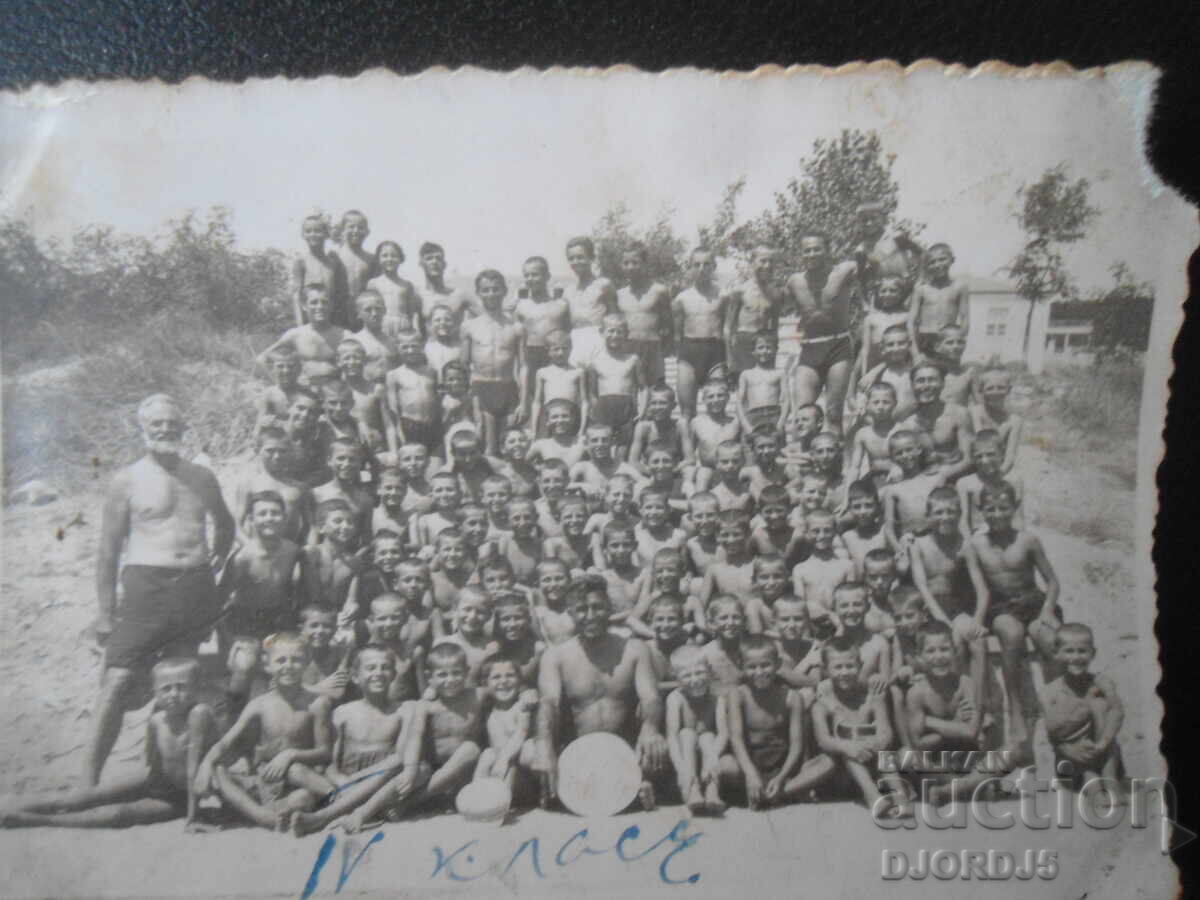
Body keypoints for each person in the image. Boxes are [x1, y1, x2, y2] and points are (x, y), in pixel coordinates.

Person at [87, 394, 235, 786]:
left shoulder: (202, 477)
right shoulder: (127, 479)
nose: (166, 430)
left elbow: (225, 524)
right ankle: (89, 779)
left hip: (193, 590)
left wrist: (214, 561)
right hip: (145, 589)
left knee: (176, 684)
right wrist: (105, 613)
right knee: (117, 680)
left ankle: (161, 771)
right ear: (143, 430)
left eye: (173, 424)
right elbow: (107, 551)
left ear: (184, 430)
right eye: (157, 425)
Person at [2, 659, 217, 830]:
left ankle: (33, 820)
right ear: (155, 694)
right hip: (154, 780)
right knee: (84, 797)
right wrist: (141, 788)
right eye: (166, 689)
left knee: (117, 814)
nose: (174, 695)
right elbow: (151, 761)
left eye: (181, 687)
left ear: (197, 688)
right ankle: (15, 806)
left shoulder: (198, 715)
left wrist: (193, 817)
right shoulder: (156, 720)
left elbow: (192, 771)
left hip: (177, 797)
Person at [535, 575, 669, 810]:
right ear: (571, 613)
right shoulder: (556, 656)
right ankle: (629, 786)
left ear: (609, 608)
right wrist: (544, 745)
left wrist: (650, 729)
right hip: (575, 752)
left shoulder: (634, 649)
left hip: (625, 750)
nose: (590, 616)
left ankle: (633, 781)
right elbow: (549, 704)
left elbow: (650, 697)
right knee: (532, 752)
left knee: (658, 747)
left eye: (597, 607)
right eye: (582, 609)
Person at [194, 633, 334, 830]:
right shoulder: (259, 704)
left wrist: (290, 755)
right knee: (218, 772)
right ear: (267, 665)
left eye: (296, 660)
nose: (288, 666)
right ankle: (262, 815)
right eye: (281, 660)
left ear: (307, 663)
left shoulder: (317, 704)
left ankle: (271, 815)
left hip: (299, 778)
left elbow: (324, 752)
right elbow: (226, 742)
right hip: (265, 779)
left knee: (301, 797)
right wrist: (205, 764)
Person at [348, 642, 486, 826]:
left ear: (467, 671)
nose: (450, 680)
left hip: (463, 777)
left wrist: (527, 694)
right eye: (442, 675)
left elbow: (508, 687)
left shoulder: (478, 695)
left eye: (456, 673)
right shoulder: (426, 706)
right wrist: (411, 769)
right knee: (417, 769)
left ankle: (406, 804)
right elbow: (415, 737)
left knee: (470, 749)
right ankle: (363, 812)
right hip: (431, 775)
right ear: (430, 677)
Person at [290, 645, 418, 836]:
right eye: (371, 668)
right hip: (345, 784)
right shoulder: (342, 713)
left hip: (382, 781)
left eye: (385, 668)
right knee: (297, 770)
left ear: (393, 674)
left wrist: (355, 782)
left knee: (408, 765)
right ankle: (365, 806)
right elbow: (330, 764)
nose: (378, 673)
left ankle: (324, 817)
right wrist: (342, 782)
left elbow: (401, 758)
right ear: (356, 676)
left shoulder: (404, 710)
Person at [970, 482, 1062, 741]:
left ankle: (1058, 703)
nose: (997, 514)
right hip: (1001, 606)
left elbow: (1052, 582)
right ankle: (1017, 710)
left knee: (1045, 636)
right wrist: (978, 618)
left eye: (1003, 508)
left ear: (1014, 508)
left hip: (1033, 602)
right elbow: (980, 590)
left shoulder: (1028, 540)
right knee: (1011, 633)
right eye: (990, 509)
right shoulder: (976, 545)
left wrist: (1047, 611)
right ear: (981, 511)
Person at [811, 636, 910, 816]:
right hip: (844, 773)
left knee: (885, 754)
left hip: (875, 762)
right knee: (850, 752)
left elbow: (886, 732)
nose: (845, 672)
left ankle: (901, 797)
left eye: (850, 666)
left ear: (860, 664)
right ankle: (873, 797)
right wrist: (849, 747)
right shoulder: (824, 703)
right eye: (838, 667)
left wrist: (877, 742)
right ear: (826, 670)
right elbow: (823, 740)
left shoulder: (872, 697)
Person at [726, 636, 822, 809]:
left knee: (827, 762)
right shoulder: (738, 695)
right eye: (752, 667)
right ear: (741, 666)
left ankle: (777, 791)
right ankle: (778, 792)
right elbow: (736, 739)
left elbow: (796, 745)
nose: (760, 672)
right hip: (750, 764)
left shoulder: (792, 697)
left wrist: (781, 777)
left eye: (765, 665)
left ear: (778, 664)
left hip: (782, 765)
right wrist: (751, 775)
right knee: (725, 765)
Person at [904, 621, 992, 808]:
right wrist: (956, 723)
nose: (939, 657)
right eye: (930, 651)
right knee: (905, 756)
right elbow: (919, 744)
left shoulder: (966, 684)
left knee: (1012, 752)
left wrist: (929, 722)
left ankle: (948, 791)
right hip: (935, 765)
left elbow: (971, 734)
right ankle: (967, 787)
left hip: (965, 757)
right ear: (919, 657)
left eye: (944, 649)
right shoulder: (916, 693)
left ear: (955, 651)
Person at [785, 232, 858, 434]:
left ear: (828, 250)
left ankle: (835, 462)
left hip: (838, 346)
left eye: (817, 249)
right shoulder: (794, 281)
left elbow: (875, 266)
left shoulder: (843, 271)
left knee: (834, 412)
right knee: (803, 415)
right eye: (807, 250)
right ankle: (806, 461)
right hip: (810, 347)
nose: (812, 254)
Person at [1042, 623, 1125, 786]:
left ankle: (1110, 780)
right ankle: (1092, 783)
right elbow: (1053, 731)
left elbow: (1117, 712)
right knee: (1078, 706)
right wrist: (1071, 750)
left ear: (1093, 653)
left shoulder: (1102, 683)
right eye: (1069, 651)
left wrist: (1101, 745)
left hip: (1104, 755)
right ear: (1056, 654)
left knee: (1099, 703)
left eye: (1082, 651)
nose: (1076, 657)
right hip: (1070, 760)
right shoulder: (1049, 691)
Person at [218, 491, 303, 649]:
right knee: (245, 663)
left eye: (275, 513)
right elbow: (220, 601)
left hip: (278, 618)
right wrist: (230, 640)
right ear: (251, 519)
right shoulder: (242, 558)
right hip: (245, 619)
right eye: (262, 514)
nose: (269, 518)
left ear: (285, 517)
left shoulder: (292, 552)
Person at [462, 269, 526, 455]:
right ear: (478, 293)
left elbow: (523, 366)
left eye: (495, 289)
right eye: (486, 290)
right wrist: (470, 400)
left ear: (504, 291)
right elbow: (464, 366)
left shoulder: (516, 327)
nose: (491, 294)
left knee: (511, 448)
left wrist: (523, 401)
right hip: (481, 390)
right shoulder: (469, 327)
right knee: (488, 449)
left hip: (507, 389)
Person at [665, 645, 732, 814]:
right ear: (677, 678)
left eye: (700, 672)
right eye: (687, 675)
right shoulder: (675, 698)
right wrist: (681, 768)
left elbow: (723, 733)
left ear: (709, 671)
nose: (695, 680)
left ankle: (712, 791)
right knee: (686, 734)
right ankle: (692, 789)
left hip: (710, 755)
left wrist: (712, 758)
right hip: (686, 759)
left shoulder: (717, 698)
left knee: (707, 736)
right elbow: (672, 736)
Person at [230, 425, 312, 543]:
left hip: (289, 553)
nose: (277, 456)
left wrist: (303, 549)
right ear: (258, 450)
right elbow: (236, 525)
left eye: (282, 451)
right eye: (270, 450)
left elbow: (310, 525)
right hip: (257, 553)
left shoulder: (299, 487)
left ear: (290, 452)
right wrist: (251, 548)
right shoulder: (249, 485)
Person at [473, 655, 540, 797]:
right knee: (487, 754)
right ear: (485, 683)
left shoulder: (521, 706)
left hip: (520, 777)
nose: (504, 681)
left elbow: (520, 734)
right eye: (496, 677)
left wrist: (503, 759)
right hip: (498, 771)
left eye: (510, 675)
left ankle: (500, 802)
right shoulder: (487, 707)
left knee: (514, 762)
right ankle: (476, 794)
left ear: (519, 680)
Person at [672, 248, 728, 418]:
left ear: (714, 266)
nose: (701, 268)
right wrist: (681, 357)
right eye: (696, 264)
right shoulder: (682, 298)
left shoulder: (724, 295)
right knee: (687, 411)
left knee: (718, 408)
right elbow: (677, 334)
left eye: (706, 264)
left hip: (715, 353)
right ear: (690, 267)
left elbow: (728, 328)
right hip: (690, 352)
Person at [899, 362, 973, 486]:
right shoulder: (908, 424)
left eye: (932, 380)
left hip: (957, 478)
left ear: (943, 383)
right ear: (912, 385)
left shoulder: (958, 414)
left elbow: (970, 458)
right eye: (920, 381)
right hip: (922, 480)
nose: (926, 386)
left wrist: (944, 476)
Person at [262, 285, 350, 387]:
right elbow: (263, 358)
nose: (319, 306)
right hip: (305, 393)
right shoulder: (295, 335)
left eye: (324, 302)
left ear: (331, 305)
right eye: (314, 302)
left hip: (334, 394)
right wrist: (280, 384)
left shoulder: (344, 335)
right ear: (304, 305)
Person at [587, 312, 645, 458]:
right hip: (604, 406)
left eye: (619, 332)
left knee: (623, 447)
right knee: (603, 444)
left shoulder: (632, 359)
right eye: (611, 331)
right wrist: (595, 412)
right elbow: (592, 392)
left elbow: (643, 387)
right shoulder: (595, 361)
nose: (615, 335)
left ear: (626, 334)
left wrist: (642, 409)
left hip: (626, 407)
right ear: (602, 332)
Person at [514, 256, 571, 404]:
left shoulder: (561, 305)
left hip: (555, 355)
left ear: (547, 276)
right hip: (530, 355)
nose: (530, 279)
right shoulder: (521, 305)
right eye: (526, 275)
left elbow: (568, 331)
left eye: (535, 274)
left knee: (556, 396)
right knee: (533, 398)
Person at [615, 242, 672, 385]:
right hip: (627, 348)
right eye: (626, 263)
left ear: (645, 264)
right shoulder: (619, 295)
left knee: (656, 393)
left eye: (635, 262)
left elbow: (668, 325)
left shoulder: (659, 291)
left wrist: (661, 351)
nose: (630, 267)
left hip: (652, 347)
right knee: (628, 391)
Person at [792, 509, 855, 628]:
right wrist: (828, 615)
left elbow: (851, 600)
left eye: (827, 530)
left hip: (842, 625)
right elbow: (800, 607)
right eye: (816, 531)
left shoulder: (846, 566)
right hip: (811, 627)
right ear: (806, 533)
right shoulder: (800, 569)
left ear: (835, 532)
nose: (822, 536)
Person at [384, 330, 441, 457]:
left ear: (421, 346)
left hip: (431, 425)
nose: (410, 350)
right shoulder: (394, 375)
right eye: (405, 347)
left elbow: (438, 400)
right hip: (409, 426)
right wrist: (399, 431)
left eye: (414, 346)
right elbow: (393, 409)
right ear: (397, 348)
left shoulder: (432, 372)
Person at [724, 246, 780, 376]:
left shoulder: (775, 293)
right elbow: (728, 327)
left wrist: (774, 349)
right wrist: (729, 357)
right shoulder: (740, 291)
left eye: (771, 261)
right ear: (752, 262)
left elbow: (775, 326)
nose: (767, 265)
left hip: (765, 344)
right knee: (745, 386)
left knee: (765, 385)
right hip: (744, 343)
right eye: (763, 261)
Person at [562, 235, 617, 367]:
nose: (576, 262)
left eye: (580, 257)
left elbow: (615, 317)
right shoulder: (568, 291)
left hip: (599, 339)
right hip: (576, 340)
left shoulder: (603, 285)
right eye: (571, 259)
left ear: (591, 258)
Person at [957, 428, 1025, 534]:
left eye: (990, 454)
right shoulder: (965, 484)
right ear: (973, 458)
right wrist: (968, 544)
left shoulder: (1014, 480)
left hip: (1008, 538)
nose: (985, 460)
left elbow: (1018, 519)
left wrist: (1019, 545)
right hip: (979, 540)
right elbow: (963, 522)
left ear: (1002, 453)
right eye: (979, 456)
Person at [910, 243, 970, 357]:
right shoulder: (921, 288)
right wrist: (914, 350)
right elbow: (911, 321)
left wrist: (959, 343)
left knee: (948, 373)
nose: (937, 265)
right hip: (925, 338)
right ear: (927, 266)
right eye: (932, 262)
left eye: (942, 259)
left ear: (952, 260)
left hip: (948, 340)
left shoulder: (960, 286)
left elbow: (965, 318)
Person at [292, 214, 349, 328]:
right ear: (303, 235)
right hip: (310, 319)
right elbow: (296, 295)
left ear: (326, 234)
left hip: (332, 318)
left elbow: (341, 293)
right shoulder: (301, 261)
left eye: (317, 231)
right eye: (308, 231)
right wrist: (300, 324)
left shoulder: (334, 261)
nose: (313, 234)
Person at [530, 330, 587, 438]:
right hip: (549, 418)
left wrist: (582, 429)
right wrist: (533, 429)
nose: (561, 353)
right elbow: (536, 402)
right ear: (548, 351)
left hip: (571, 417)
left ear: (571, 349)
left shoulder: (578, 372)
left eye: (565, 348)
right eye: (556, 349)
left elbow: (584, 402)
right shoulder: (542, 372)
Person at [413, 242, 481, 331]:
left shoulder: (459, 295)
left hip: (456, 343)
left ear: (444, 264)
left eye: (438, 258)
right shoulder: (417, 295)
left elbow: (486, 317)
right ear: (421, 264)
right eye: (429, 258)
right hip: (428, 343)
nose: (434, 262)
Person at [857, 274, 916, 374]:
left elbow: (912, 344)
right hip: (874, 365)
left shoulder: (906, 317)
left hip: (900, 367)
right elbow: (865, 350)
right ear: (878, 294)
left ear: (901, 293)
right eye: (883, 291)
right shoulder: (871, 319)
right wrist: (864, 373)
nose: (887, 294)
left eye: (893, 291)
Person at [736, 331, 790, 438]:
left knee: (775, 448)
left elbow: (786, 400)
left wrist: (780, 424)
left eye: (769, 347)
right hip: (753, 416)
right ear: (753, 351)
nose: (765, 351)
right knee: (753, 447)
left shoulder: (780, 373)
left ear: (776, 350)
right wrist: (746, 426)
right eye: (760, 347)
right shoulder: (746, 374)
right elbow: (739, 402)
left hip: (774, 414)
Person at [970, 367, 1023, 474]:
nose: (995, 392)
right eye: (990, 388)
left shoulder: (1014, 421)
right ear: (981, 390)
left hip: (998, 469)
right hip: (974, 466)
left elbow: (1010, 457)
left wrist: (1000, 474)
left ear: (1009, 389)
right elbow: (981, 447)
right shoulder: (975, 413)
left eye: (1000, 388)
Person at [690, 379, 741, 488]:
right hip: (708, 471)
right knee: (703, 474)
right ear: (703, 399)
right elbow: (690, 454)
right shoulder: (697, 423)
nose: (716, 400)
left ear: (727, 397)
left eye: (720, 395)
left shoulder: (735, 422)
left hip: (731, 470)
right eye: (711, 396)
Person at [334, 211, 378, 328]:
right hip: (339, 314)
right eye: (351, 227)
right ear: (342, 230)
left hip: (364, 314)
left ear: (367, 232)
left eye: (360, 227)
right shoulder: (334, 257)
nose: (356, 231)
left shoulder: (372, 260)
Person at [366, 240, 420, 336]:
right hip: (382, 325)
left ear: (400, 258)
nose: (389, 259)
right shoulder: (373, 283)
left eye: (394, 256)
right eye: (385, 256)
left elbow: (411, 313)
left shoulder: (407, 285)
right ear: (378, 259)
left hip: (402, 325)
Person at [255, 346, 305, 430]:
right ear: (272, 368)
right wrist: (264, 422)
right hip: (280, 440)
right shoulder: (269, 394)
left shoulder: (306, 393)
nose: (286, 371)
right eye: (280, 366)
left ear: (299, 369)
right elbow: (257, 430)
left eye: (291, 366)